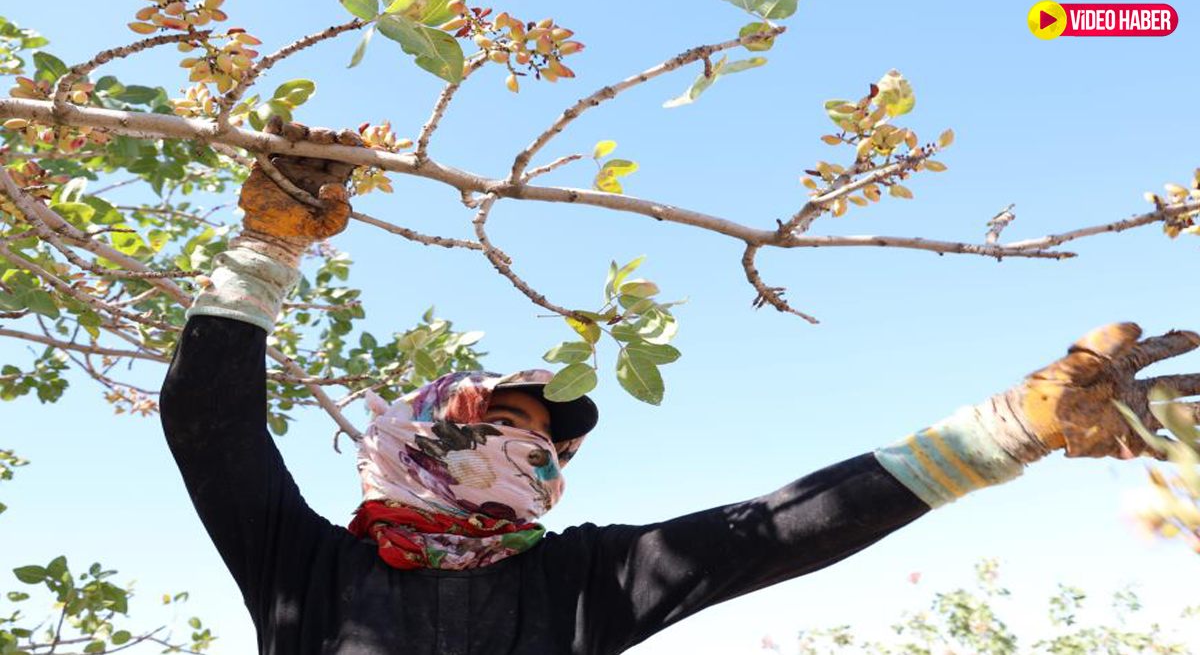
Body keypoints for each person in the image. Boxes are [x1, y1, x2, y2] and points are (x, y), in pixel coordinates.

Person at [159, 129, 1200, 655]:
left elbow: (776, 532)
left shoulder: (581, 581)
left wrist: (1006, 432)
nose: (534, 453)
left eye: (550, 447)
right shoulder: (303, 568)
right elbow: (212, 427)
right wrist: (263, 250)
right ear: (423, 435)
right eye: (503, 425)